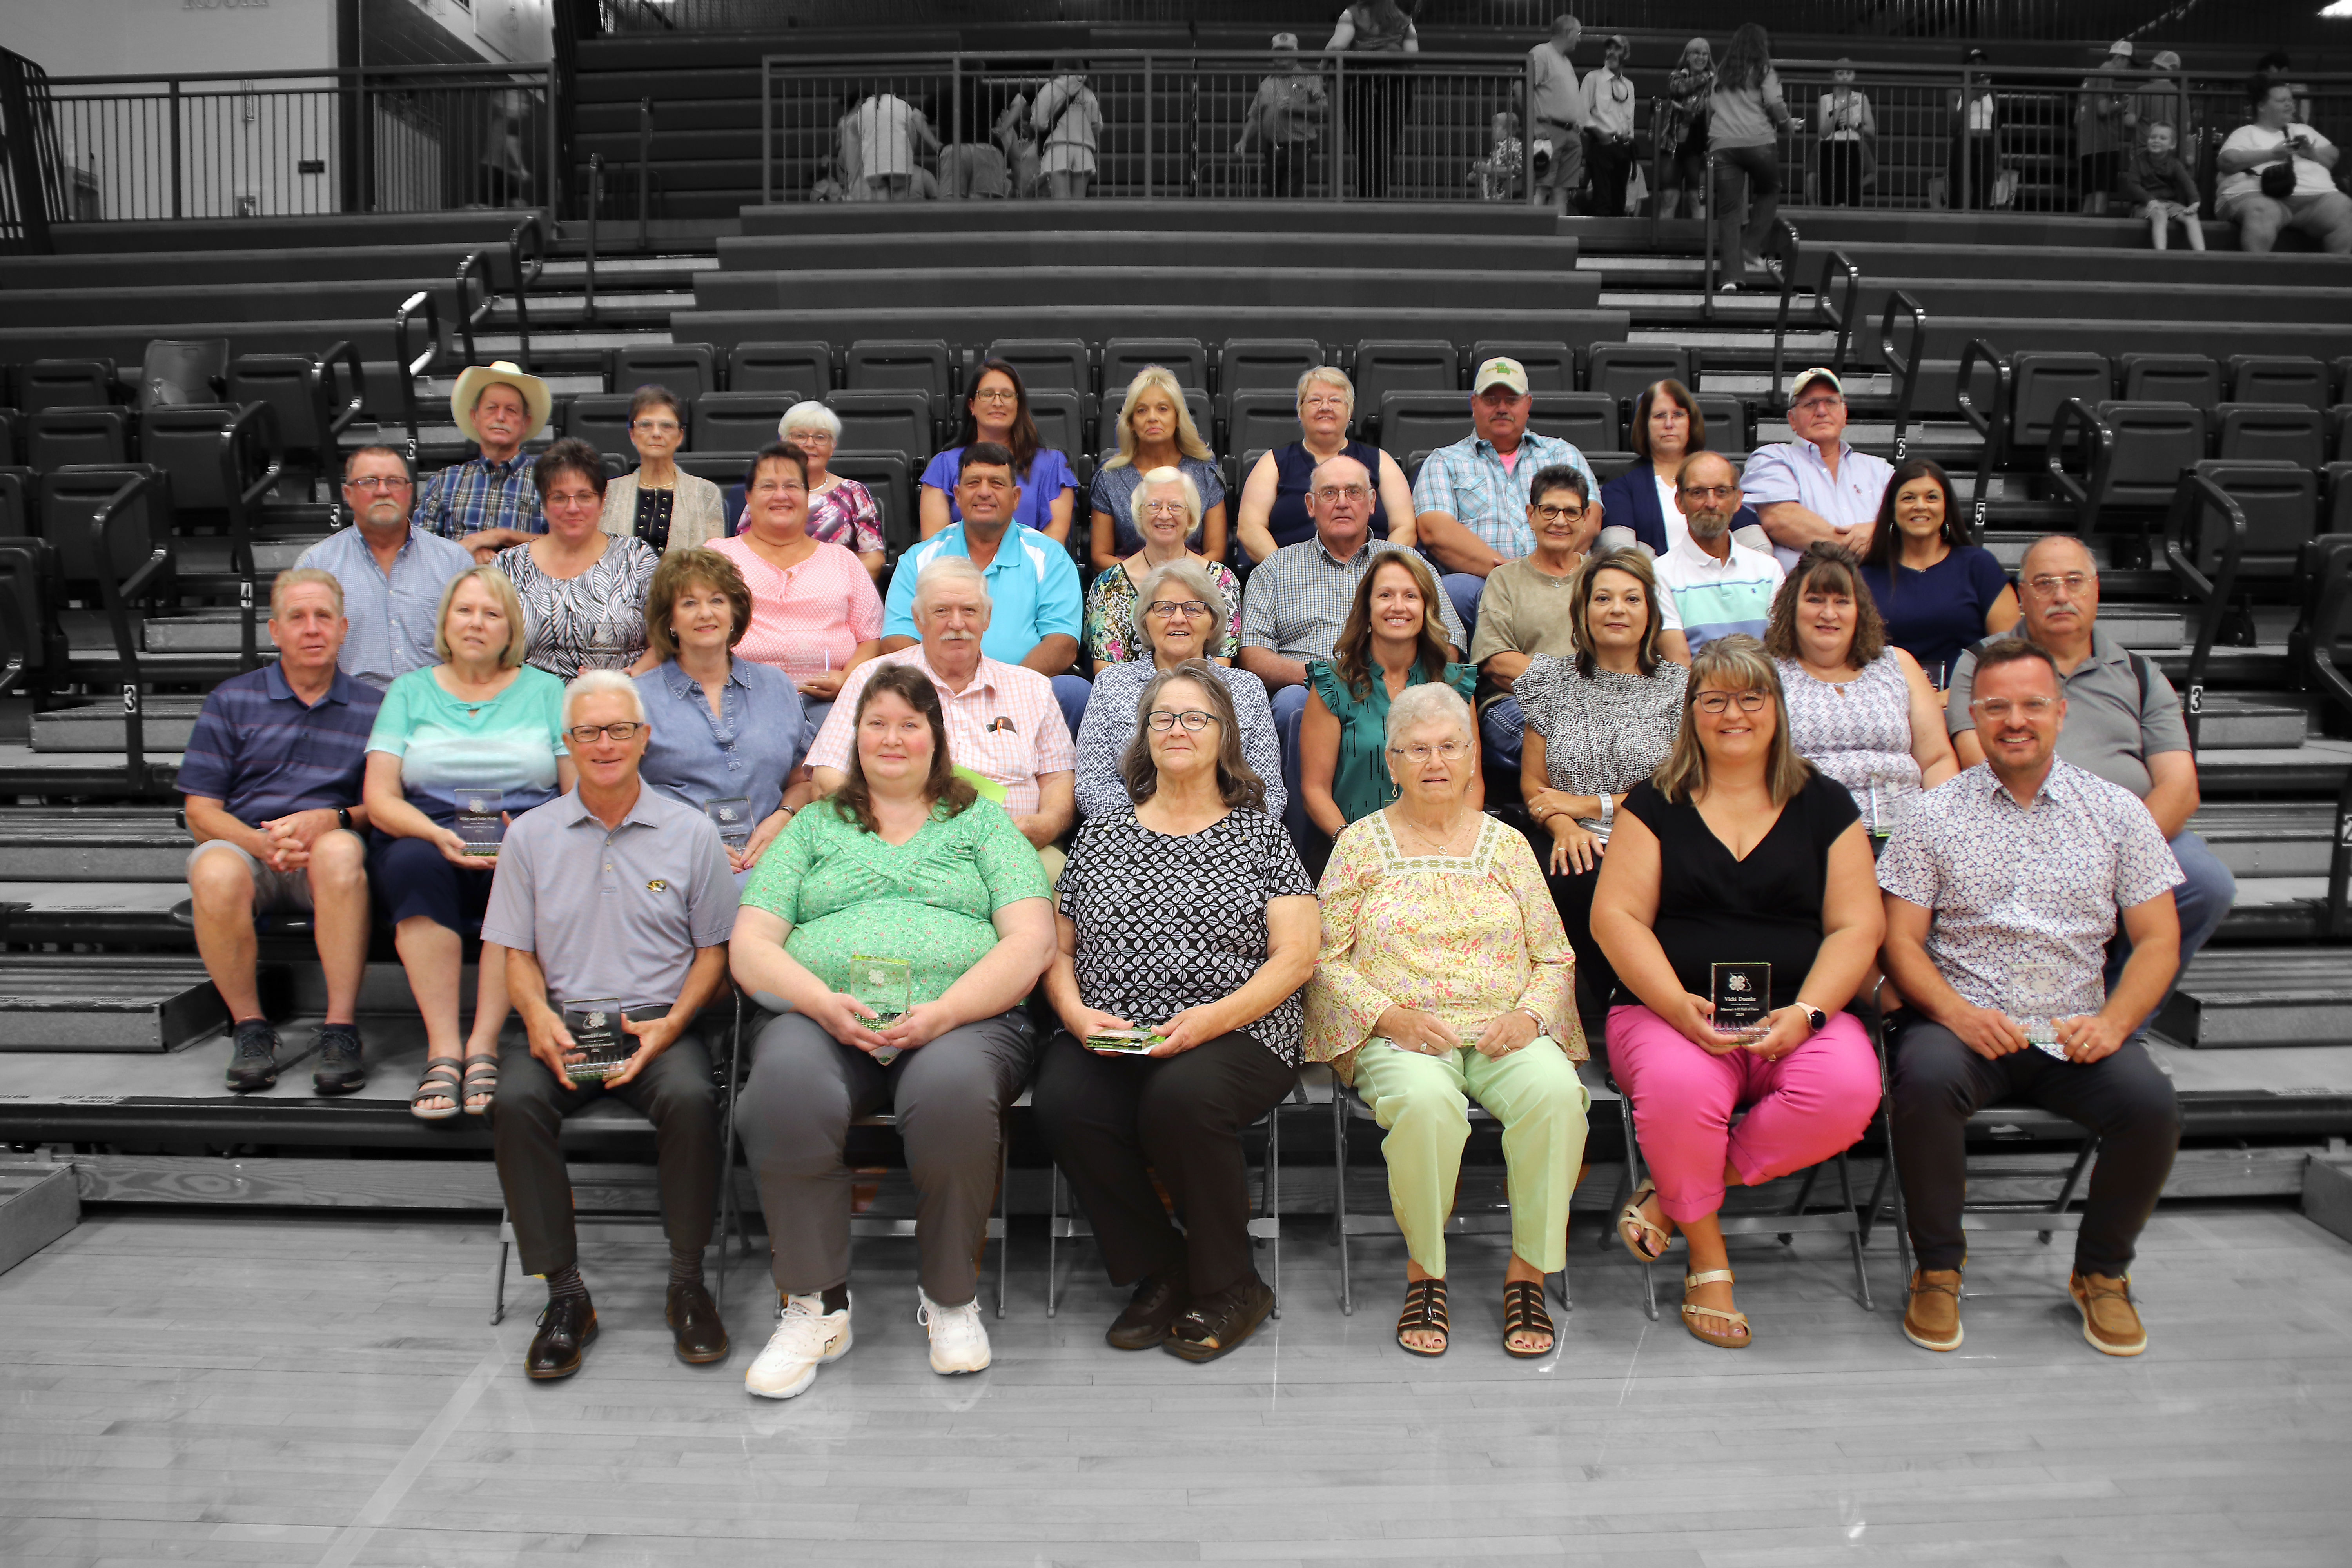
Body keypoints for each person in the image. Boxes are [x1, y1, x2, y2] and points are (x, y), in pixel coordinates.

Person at [731, 664, 1056, 1398]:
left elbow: (1029, 942)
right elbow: (751, 944)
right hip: (823, 1016)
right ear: (855, 737)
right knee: (781, 1092)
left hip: (963, 1020)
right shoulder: (813, 826)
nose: (892, 737)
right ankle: (816, 1306)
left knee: (953, 1097)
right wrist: (820, 1002)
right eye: (877, 723)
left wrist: (945, 1012)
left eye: (911, 723)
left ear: (936, 739)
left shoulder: (982, 823)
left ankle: (949, 1299)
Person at [1878, 636, 2185, 1358]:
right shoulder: (1931, 814)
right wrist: (1954, 1012)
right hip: (1961, 1024)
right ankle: (1938, 1269)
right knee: (1920, 1082)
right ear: (1974, 716)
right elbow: (1899, 943)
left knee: (2152, 1106)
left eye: (2032, 705)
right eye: (1997, 707)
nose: (2015, 721)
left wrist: (2114, 1022)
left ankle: (2102, 1275)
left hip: (2075, 1027)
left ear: (2061, 711)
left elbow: (2159, 941)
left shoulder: (2117, 812)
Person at [1592, 636, 1884, 1349]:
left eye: (1751, 697)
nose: (1733, 714)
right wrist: (1675, 1007)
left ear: (1777, 709)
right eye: (1714, 698)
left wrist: (1810, 1012)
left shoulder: (1825, 803)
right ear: (1691, 712)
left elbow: (1857, 925)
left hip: (1796, 1010)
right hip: (1671, 1010)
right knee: (1681, 1091)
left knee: (1846, 1093)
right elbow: (1616, 918)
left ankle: (1674, 1196)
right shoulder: (1654, 801)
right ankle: (1710, 1259)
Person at [1038, 663, 1316, 1358]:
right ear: (1143, 737)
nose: (1178, 729)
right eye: (1163, 717)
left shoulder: (1260, 835)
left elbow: (1296, 956)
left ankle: (1231, 1284)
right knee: (1064, 1101)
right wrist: (1074, 1016)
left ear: (1225, 739)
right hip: (1115, 1028)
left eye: (1196, 717)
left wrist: (1209, 1020)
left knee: (1181, 1096)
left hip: (1241, 1030)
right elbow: (1057, 950)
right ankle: (1161, 1267)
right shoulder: (1101, 835)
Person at [1306, 682, 1587, 1359]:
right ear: (1392, 763)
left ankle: (1528, 1272)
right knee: (1429, 1103)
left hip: (1503, 1029)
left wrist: (1528, 1016)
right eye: (1417, 749)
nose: (1436, 762)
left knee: (1555, 1095)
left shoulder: (1510, 846)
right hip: (1400, 1031)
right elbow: (1321, 958)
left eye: (1451, 747)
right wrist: (1388, 1015)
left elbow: (1555, 955)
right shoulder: (1360, 844)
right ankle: (1425, 1271)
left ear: (1471, 761)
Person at [485, 670, 737, 1380]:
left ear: (644, 738)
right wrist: (534, 1015)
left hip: (660, 1027)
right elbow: (517, 955)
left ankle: (687, 1284)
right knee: (514, 1102)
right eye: (589, 732)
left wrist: (673, 1025)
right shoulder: (530, 837)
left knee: (693, 1099)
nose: (605, 744)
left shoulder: (690, 833)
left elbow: (714, 955)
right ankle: (566, 1298)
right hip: (562, 1026)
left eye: (619, 729)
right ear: (567, 742)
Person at [1944, 535, 2235, 1019]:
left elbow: (2180, 787)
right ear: (2022, 595)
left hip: (2129, 831)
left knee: (2206, 881)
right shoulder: (1982, 663)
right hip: (2016, 824)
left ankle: (2123, 1018)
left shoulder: (2140, 674)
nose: (2061, 595)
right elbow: (1981, 763)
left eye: (2074, 581)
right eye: (2045, 584)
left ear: (2096, 590)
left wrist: (2113, 851)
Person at [364, 566, 571, 1120]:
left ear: (511, 629)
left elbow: (576, 795)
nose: (476, 623)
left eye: (491, 613)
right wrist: (433, 832)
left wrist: (528, 835)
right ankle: (443, 1047)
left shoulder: (549, 691)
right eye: (465, 611)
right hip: (427, 830)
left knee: (521, 870)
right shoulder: (408, 691)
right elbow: (380, 797)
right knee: (408, 862)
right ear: (445, 623)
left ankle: (482, 1043)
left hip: (524, 832)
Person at [182, 568, 381, 1096]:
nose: (311, 629)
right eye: (297, 617)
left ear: (342, 629)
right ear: (275, 631)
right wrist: (259, 843)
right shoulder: (231, 699)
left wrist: (333, 819)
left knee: (340, 850)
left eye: (323, 618)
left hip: (329, 855)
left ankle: (340, 1031)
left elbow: (384, 805)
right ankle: (251, 1030)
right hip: (251, 850)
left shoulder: (373, 707)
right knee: (213, 866)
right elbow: (200, 811)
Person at [1238, 454, 1466, 852]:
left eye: (1354, 492)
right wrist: (1328, 680)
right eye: (1329, 493)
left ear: (1372, 502)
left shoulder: (1409, 563)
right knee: (1299, 702)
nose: (1342, 502)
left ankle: (1434, 840)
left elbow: (1449, 645)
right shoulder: (1275, 568)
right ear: (1310, 505)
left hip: (1398, 681)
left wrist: (1383, 679)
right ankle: (1303, 851)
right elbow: (1253, 656)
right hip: (1309, 684)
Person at [1519, 549, 1688, 1040]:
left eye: (1632, 599)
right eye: (1604, 598)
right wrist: (1563, 824)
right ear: (1583, 612)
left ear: (1651, 614)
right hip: (1573, 835)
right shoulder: (1550, 681)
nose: (1617, 609)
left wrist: (1591, 805)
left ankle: (1656, 1004)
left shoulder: (1680, 688)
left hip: (1658, 833)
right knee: (1576, 871)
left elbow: (1680, 784)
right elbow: (1533, 782)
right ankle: (1625, 1006)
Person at [811, 558, 1077, 856]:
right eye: (941, 611)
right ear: (918, 619)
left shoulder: (1033, 688)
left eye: (970, 611)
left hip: (1014, 848)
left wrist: (1048, 824)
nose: (957, 624)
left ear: (987, 618)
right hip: (897, 848)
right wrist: (889, 830)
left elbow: (1058, 777)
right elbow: (828, 779)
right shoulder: (872, 680)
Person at [886, 442, 1089, 741]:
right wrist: (948, 689)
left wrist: (1001, 688)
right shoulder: (921, 558)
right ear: (957, 495)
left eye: (996, 484)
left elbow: (1062, 643)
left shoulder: (1050, 557)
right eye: (973, 483)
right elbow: (896, 642)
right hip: (936, 695)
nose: (984, 492)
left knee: (1074, 692)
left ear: (1016, 497)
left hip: (1022, 692)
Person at [632, 548, 810, 879]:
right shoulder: (636, 699)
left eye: (717, 600)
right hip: (673, 866)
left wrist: (783, 817)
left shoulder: (775, 685)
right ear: (669, 620)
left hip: (773, 863)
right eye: (689, 603)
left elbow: (806, 778)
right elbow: (620, 796)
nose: (705, 614)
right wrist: (687, 840)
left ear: (734, 613)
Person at [1766, 544, 1958, 837]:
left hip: (1907, 837)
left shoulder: (1899, 664)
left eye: (1842, 601)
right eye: (1816, 600)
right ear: (1792, 606)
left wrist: (1938, 830)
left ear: (1859, 610)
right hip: (1806, 839)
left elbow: (1937, 761)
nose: (1829, 613)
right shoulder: (1767, 675)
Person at [1077, 560, 1284, 822]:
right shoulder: (1111, 683)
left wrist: (1208, 824)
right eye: (1164, 609)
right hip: (1132, 838)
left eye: (1193, 609)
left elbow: (1270, 793)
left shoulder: (1247, 688)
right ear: (1145, 622)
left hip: (1226, 840)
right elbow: (1091, 787)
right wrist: (1154, 821)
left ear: (1212, 624)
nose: (1178, 618)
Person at [1412, 356, 1602, 639]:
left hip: (1561, 575)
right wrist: (1514, 574)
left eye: (1511, 399)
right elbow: (1435, 531)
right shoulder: (1444, 461)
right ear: (1474, 404)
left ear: (1527, 404)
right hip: (1482, 582)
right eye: (1491, 399)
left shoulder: (1562, 453)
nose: (1502, 408)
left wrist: (1543, 570)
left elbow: (1591, 517)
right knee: (1454, 590)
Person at [1300, 548, 1477, 843]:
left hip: (1442, 849)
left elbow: (1472, 784)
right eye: (1385, 595)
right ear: (1367, 609)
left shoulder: (1456, 684)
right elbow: (1314, 791)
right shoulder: (1333, 684)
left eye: (1410, 596)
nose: (1398, 606)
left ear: (1426, 608)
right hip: (1358, 849)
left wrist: (1456, 845)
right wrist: (1352, 844)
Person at [705, 444, 882, 738]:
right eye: (768, 486)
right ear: (748, 497)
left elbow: (870, 639)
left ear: (807, 495)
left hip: (830, 704)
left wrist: (845, 679)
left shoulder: (843, 560)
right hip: (739, 700)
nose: (781, 495)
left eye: (792, 486)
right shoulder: (717, 558)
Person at [298, 446, 474, 691]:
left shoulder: (454, 562)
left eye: (394, 482)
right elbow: (302, 653)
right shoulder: (317, 565)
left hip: (438, 710)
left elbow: (476, 648)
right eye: (369, 482)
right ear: (348, 494)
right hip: (352, 711)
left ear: (409, 492)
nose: (383, 491)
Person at [1468, 466, 1596, 782]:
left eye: (1571, 512)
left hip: (1595, 703)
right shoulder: (1505, 580)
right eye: (1549, 510)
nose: (1560, 521)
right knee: (1579, 743)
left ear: (1585, 518)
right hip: (1515, 703)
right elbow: (1497, 662)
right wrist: (1570, 687)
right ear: (1531, 514)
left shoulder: (1602, 577)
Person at [496, 439, 658, 681]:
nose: (573, 508)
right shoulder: (508, 566)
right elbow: (491, 650)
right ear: (544, 504)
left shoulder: (637, 558)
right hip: (530, 708)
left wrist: (625, 679)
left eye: (584, 496)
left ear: (602, 502)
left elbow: (664, 644)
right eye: (559, 497)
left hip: (619, 704)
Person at [1858, 457, 2019, 686]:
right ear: (1892, 510)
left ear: (1946, 507)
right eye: (1908, 498)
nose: (1920, 506)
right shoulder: (1865, 578)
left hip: (1969, 700)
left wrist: (1957, 697)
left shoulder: (1979, 566)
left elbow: (2010, 652)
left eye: (1931, 497)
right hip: (1891, 704)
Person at [1233, 366, 1416, 564]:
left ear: (1350, 411)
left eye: (1335, 400)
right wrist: (1286, 571)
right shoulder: (1273, 463)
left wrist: (1379, 572)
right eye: (1315, 400)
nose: (1325, 407)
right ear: (1300, 411)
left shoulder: (1381, 461)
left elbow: (1405, 527)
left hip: (1370, 576)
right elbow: (1250, 528)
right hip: (1294, 579)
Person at [1084, 467, 1243, 671]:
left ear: (1191, 516)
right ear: (1140, 515)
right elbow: (1107, 673)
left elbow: (1221, 668)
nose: (1165, 515)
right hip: (1129, 697)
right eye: (1154, 506)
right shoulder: (1109, 585)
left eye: (1176, 506)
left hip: (1205, 695)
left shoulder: (1221, 580)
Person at [1742, 368, 1894, 571]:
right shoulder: (1771, 458)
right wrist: (1874, 542)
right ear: (1792, 420)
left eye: (1830, 402)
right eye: (1810, 404)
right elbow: (1781, 521)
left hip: (1878, 595)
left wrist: (1880, 533)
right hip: (1803, 594)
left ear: (1844, 413)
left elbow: (1907, 522)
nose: (1821, 411)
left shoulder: (1879, 469)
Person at [1596, 379, 1762, 559]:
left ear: (1691, 422)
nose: (1669, 424)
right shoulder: (1622, 482)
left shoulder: (1718, 473)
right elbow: (1619, 553)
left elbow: (1759, 548)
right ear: (1644, 425)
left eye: (1678, 414)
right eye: (1659, 416)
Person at [920, 360, 1079, 547]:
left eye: (1007, 395)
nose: (998, 402)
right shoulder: (943, 465)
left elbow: (1053, 544)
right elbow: (934, 546)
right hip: (960, 572)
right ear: (972, 406)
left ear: (1018, 405)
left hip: (1030, 572)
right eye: (987, 394)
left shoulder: (1054, 464)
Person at [1653, 451, 1785, 662]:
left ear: (1738, 500)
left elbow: (1780, 658)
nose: (1711, 503)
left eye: (1722, 492)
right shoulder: (1659, 574)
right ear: (1679, 501)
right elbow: (1680, 670)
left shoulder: (1768, 570)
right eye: (1698, 492)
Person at [1091, 367, 1227, 570]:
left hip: (1194, 583)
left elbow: (1216, 553)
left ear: (1178, 417)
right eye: (1142, 410)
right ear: (1131, 422)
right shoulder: (1109, 478)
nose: (1152, 418)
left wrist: (1177, 579)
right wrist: (1146, 579)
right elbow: (1100, 555)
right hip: (1132, 585)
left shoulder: (1206, 474)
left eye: (1163, 409)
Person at [416, 361, 550, 560]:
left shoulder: (549, 480)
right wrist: (467, 555)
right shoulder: (445, 482)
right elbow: (419, 549)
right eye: (491, 408)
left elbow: (567, 544)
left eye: (511, 410)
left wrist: (501, 536)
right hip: (457, 585)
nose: (501, 417)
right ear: (474, 417)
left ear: (525, 423)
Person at [2216, 77, 2352, 256]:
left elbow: (2333, 156)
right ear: (2262, 106)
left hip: (2315, 202)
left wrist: (2311, 153)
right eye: (2282, 101)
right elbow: (2228, 162)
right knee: (2263, 210)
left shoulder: (2304, 130)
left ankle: (2334, 279)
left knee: (2345, 207)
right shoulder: (2245, 133)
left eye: (2291, 100)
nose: (2290, 105)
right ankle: (2258, 280)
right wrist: (2272, 154)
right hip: (2263, 197)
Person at [1708, 24, 1793, 286]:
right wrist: (1788, 125)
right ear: (1762, 45)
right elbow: (1774, 103)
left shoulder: (1721, 72)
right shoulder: (1764, 71)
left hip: (1722, 144)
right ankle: (1751, 245)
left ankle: (1731, 279)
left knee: (1729, 213)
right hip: (1758, 142)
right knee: (1770, 189)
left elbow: (1712, 106)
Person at [600, 387, 726, 556]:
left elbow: (714, 561)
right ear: (632, 434)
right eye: (645, 425)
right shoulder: (609, 492)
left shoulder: (706, 493)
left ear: (680, 436)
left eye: (667, 426)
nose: (656, 433)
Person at [775, 403, 886, 581]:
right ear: (783, 441)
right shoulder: (767, 491)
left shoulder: (854, 493)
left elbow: (873, 559)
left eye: (820, 437)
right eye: (800, 436)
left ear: (833, 446)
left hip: (837, 594)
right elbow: (745, 552)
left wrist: (831, 586)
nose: (809, 444)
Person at [1328, 1, 1417, 200]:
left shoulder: (1352, 14)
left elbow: (1338, 45)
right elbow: (1412, 57)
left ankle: (1366, 199)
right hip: (1396, 85)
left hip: (1360, 85)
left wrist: (1323, 67)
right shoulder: (1403, 19)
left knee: (1364, 148)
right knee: (1387, 147)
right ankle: (1378, 197)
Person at [1234, 33, 1327, 199]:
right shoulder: (1266, 83)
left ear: (1297, 54)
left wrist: (1300, 107)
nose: (1283, 55)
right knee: (1274, 194)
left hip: (1299, 145)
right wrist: (1244, 139)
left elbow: (1325, 109)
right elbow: (1256, 116)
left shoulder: (1310, 78)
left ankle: (1289, 224)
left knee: (1289, 194)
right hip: (1272, 148)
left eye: (1287, 51)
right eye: (1279, 51)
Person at [1526, 15, 1586, 215]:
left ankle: (1558, 239)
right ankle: (1532, 237)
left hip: (1570, 133)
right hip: (1548, 131)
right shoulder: (1542, 54)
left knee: (1562, 191)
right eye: (1578, 33)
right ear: (1569, 32)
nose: (1579, 38)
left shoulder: (1565, 62)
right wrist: (1534, 125)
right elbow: (1521, 87)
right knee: (1541, 187)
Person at [2119, 118, 2205, 253]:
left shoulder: (2174, 164)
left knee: (2191, 217)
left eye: (2163, 138)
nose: (2156, 140)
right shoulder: (2138, 162)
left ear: (2172, 145)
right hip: (2144, 205)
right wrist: (2150, 200)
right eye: (2153, 137)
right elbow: (2133, 185)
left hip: (2170, 204)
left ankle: (2202, 255)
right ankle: (2162, 254)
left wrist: (2195, 201)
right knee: (2160, 214)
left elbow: (2187, 182)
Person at [1654, 38, 1714, 221]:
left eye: (1705, 54)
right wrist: (1706, 77)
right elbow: (1678, 89)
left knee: (1697, 200)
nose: (1701, 57)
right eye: (1696, 53)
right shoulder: (1677, 76)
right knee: (1668, 198)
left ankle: (1699, 248)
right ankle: (1663, 247)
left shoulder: (1715, 82)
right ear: (1687, 57)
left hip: (1700, 146)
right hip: (1673, 144)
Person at [2076, 40, 2137, 216]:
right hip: (2102, 143)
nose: (2130, 69)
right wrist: (2126, 103)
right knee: (2101, 194)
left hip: (2088, 144)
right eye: (2129, 63)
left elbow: (2077, 118)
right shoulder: (2107, 73)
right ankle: (2096, 238)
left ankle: (2085, 236)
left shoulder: (2091, 77)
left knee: (2091, 195)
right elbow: (2103, 110)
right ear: (2119, 58)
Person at [845, 91, 939, 202]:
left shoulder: (864, 109)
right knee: (899, 205)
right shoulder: (904, 106)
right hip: (900, 163)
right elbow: (912, 137)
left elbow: (861, 135)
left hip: (874, 165)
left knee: (882, 206)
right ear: (894, 94)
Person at [1582, 34, 1637, 218]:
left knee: (1620, 201)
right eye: (1609, 48)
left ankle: (1615, 245)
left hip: (1623, 148)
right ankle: (1600, 245)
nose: (1611, 53)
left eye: (1617, 49)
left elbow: (1631, 120)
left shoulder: (1629, 86)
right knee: (1602, 200)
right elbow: (1581, 115)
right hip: (1602, 145)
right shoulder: (1593, 78)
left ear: (1627, 55)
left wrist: (1630, 142)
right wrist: (1602, 136)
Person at [1033, 63, 1103, 200]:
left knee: (1061, 199)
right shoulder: (1087, 92)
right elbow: (1098, 125)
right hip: (1084, 149)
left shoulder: (1051, 88)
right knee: (1079, 202)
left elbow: (1038, 122)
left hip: (1059, 147)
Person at [1946, 47, 2001, 212]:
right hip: (1964, 142)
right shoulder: (1955, 92)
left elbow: (1996, 127)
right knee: (1959, 193)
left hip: (1987, 143)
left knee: (1983, 195)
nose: (1979, 67)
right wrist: (1970, 97)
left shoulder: (1992, 93)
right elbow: (1953, 126)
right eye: (1974, 64)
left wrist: (2000, 160)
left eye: (1982, 64)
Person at [1815, 60, 1876, 207]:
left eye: (1849, 73)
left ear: (1854, 75)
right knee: (1830, 198)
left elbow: (1871, 132)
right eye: (1840, 73)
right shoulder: (1825, 100)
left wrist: (1853, 125)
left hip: (1852, 148)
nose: (1845, 77)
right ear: (1833, 76)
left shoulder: (1862, 99)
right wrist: (1839, 110)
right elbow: (1823, 132)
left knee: (1851, 198)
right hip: (1830, 149)